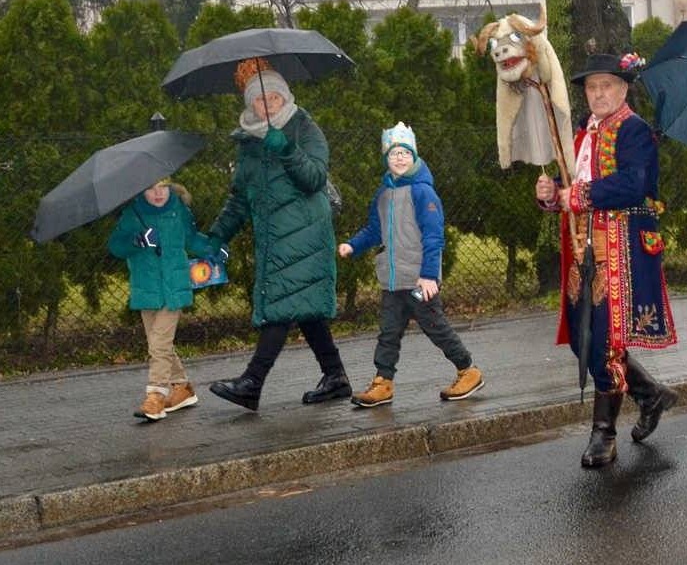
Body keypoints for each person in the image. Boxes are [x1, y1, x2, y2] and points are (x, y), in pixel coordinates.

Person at [534, 53, 678, 468]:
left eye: (606, 87)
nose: (597, 94)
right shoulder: (582, 134)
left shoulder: (635, 131)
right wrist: (551, 194)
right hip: (584, 251)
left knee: (605, 342)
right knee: (586, 340)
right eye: (592, 88)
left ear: (623, 89)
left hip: (622, 251)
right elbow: (570, 185)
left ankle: (604, 433)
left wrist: (576, 195)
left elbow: (635, 184)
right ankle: (650, 394)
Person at [206, 59, 351, 411]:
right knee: (305, 310)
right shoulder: (248, 143)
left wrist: (286, 149)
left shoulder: (305, 128)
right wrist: (216, 237)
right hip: (274, 239)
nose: (267, 104)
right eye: (259, 99)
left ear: (285, 98)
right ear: (250, 104)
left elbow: (315, 178)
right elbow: (240, 198)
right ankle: (336, 377)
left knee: (281, 307)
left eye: (273, 97)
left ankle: (252, 383)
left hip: (306, 235)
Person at [340, 123, 485, 408]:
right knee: (388, 331)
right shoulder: (383, 194)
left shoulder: (423, 192)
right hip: (393, 280)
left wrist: (429, 275)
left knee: (435, 326)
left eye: (406, 152)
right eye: (394, 153)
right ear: (386, 158)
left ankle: (468, 371)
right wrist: (353, 245)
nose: (400, 157)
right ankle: (383, 382)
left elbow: (434, 235)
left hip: (420, 280)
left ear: (414, 155)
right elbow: (374, 229)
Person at [107, 178, 219, 421]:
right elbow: (116, 246)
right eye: (150, 188)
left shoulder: (179, 211)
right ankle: (182, 388)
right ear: (141, 191)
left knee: (158, 344)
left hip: (174, 289)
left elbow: (192, 239)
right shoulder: (133, 214)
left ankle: (156, 396)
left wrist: (215, 249)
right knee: (159, 344)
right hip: (146, 290)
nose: (158, 193)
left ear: (171, 187)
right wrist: (137, 241)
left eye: (163, 187)